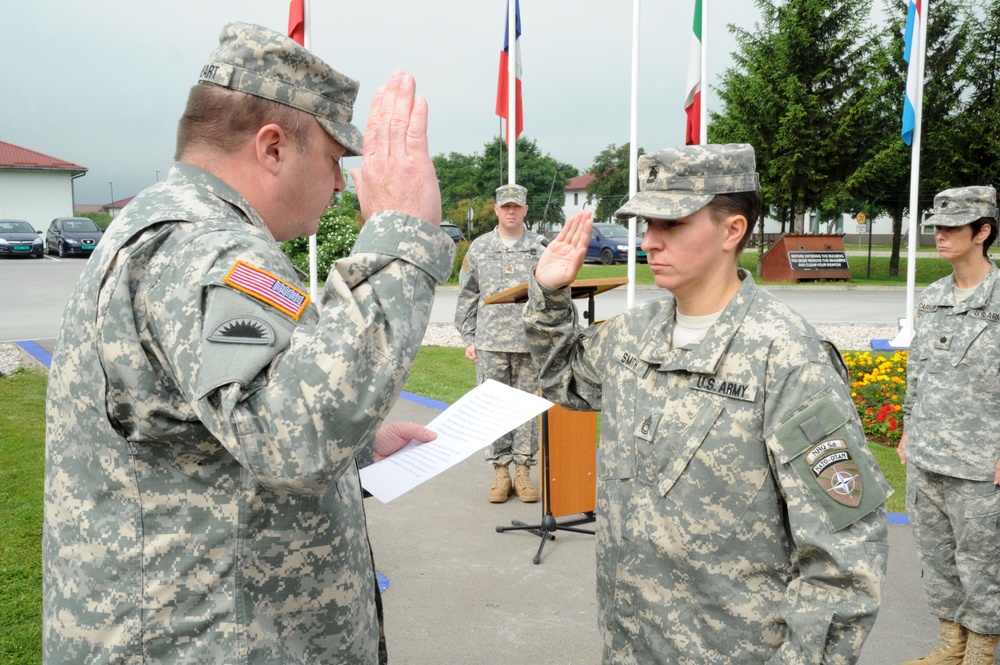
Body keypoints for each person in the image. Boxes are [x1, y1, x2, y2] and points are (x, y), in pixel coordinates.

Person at [42, 22, 455, 664]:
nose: (342, 184)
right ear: (271, 148)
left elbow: (229, 414)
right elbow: (292, 435)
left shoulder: (176, 230)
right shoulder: (207, 249)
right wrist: (401, 240)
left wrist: (360, 451)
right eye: (333, 158)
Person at [522, 144, 891, 663]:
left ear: (731, 230)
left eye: (670, 224)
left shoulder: (787, 358)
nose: (649, 240)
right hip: (629, 640)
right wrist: (548, 293)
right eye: (647, 224)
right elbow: (564, 380)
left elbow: (845, 552)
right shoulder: (632, 335)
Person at [896, 186, 1000, 665]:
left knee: (983, 564)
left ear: (983, 232)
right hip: (927, 456)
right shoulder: (933, 296)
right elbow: (917, 371)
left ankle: (980, 651)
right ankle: (950, 643)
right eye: (936, 227)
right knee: (936, 558)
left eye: (952, 227)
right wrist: (906, 429)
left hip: (981, 464)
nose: (939, 235)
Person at [455, 183, 545, 503]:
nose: (510, 211)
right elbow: (467, 295)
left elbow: (553, 294)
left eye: (516, 206)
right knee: (493, 409)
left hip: (529, 343)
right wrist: (468, 337)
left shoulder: (539, 248)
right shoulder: (480, 248)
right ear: (495, 209)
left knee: (524, 410)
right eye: (505, 206)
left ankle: (523, 471)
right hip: (490, 342)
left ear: (525, 210)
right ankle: (501, 471)